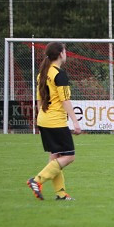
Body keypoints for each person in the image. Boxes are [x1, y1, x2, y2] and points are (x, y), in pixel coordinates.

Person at [26, 42, 83, 201]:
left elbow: (39, 99)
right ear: (60, 54)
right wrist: (75, 122)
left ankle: (61, 194)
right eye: (65, 51)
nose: (66, 54)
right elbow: (65, 101)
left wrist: (39, 118)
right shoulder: (59, 74)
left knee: (55, 157)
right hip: (55, 121)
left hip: (44, 119)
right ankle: (36, 180)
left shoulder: (42, 74)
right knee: (69, 156)